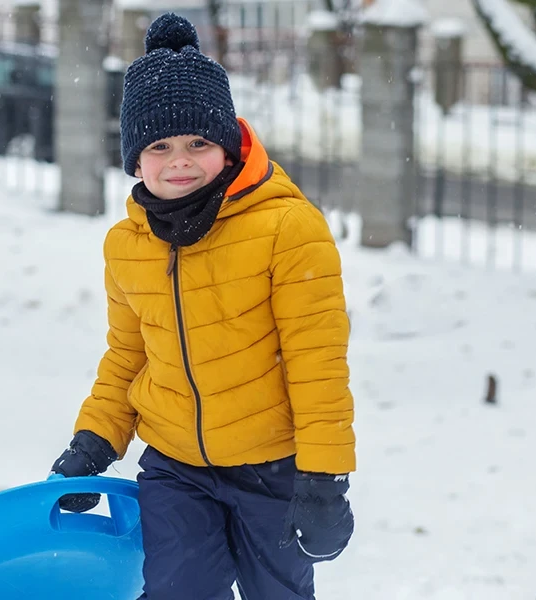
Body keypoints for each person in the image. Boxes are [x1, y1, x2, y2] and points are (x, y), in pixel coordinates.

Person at [50, 12, 355, 600]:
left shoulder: (288, 229)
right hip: (176, 467)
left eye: (198, 142)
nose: (180, 160)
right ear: (135, 160)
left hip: (272, 467)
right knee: (177, 590)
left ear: (230, 146)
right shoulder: (126, 244)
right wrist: (95, 438)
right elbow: (128, 355)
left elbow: (318, 364)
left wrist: (324, 477)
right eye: (159, 146)